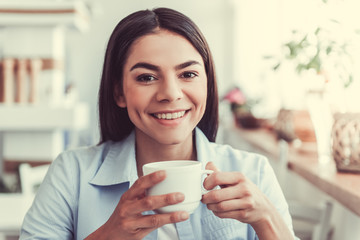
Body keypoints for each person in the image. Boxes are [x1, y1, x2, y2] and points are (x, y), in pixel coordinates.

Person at [20, 7, 297, 240]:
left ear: (208, 84)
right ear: (119, 92)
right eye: (147, 77)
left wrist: (266, 219)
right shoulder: (71, 174)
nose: (171, 94)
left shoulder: (253, 172)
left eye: (188, 74)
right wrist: (107, 234)